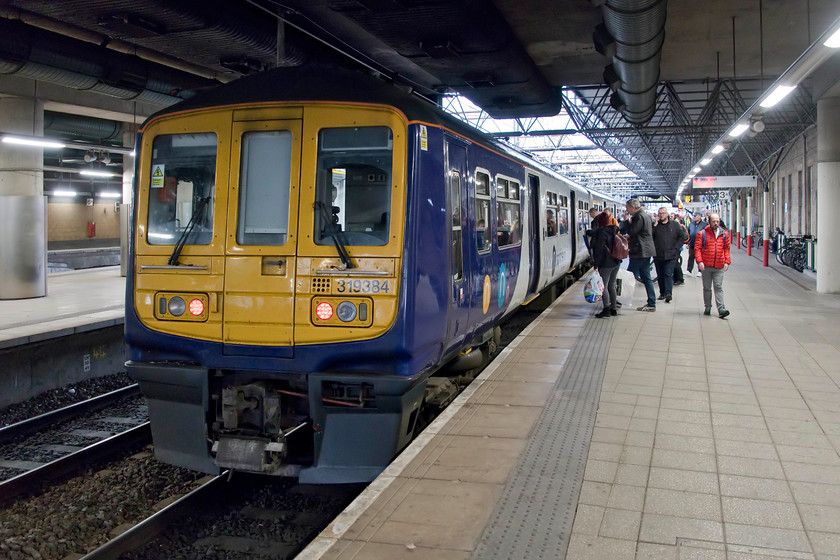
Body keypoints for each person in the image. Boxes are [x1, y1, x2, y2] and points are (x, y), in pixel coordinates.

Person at [695, 212, 731, 318]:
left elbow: (726, 248)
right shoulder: (702, 234)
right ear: (709, 221)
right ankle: (708, 307)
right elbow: (697, 249)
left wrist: (727, 261)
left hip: (719, 265)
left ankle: (721, 309)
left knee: (718, 286)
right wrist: (700, 261)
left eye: (717, 221)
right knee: (707, 287)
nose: (716, 223)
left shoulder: (724, 234)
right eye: (714, 221)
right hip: (706, 266)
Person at [625, 198, 657, 312]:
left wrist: (626, 221)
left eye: (627, 208)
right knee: (646, 277)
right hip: (645, 250)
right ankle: (651, 303)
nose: (626, 210)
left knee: (627, 276)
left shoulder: (638, 217)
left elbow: (632, 231)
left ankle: (619, 300)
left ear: (633, 207)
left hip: (640, 251)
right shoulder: (645, 215)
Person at [652, 207, 688, 303]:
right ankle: (662, 292)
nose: (661, 215)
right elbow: (650, 237)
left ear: (667, 214)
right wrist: (654, 225)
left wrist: (676, 248)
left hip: (671, 255)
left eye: (663, 213)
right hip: (658, 255)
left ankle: (668, 293)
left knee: (668, 273)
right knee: (660, 275)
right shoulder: (655, 226)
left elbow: (681, 237)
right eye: (659, 213)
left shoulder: (675, 225)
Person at [591, 212, 621, 318]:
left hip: (606, 263)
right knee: (612, 285)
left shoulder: (601, 233)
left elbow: (599, 250)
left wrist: (596, 264)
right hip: (616, 262)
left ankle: (606, 309)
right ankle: (613, 309)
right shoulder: (614, 230)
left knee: (603, 286)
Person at [686, 212, 708, 277]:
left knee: (700, 258)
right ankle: (689, 270)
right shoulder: (691, 224)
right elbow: (688, 233)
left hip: (701, 244)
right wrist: (688, 243)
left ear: (699, 216)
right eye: (694, 216)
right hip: (692, 243)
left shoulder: (704, 224)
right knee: (690, 257)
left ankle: (700, 271)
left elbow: (707, 234)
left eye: (695, 216)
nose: (694, 217)